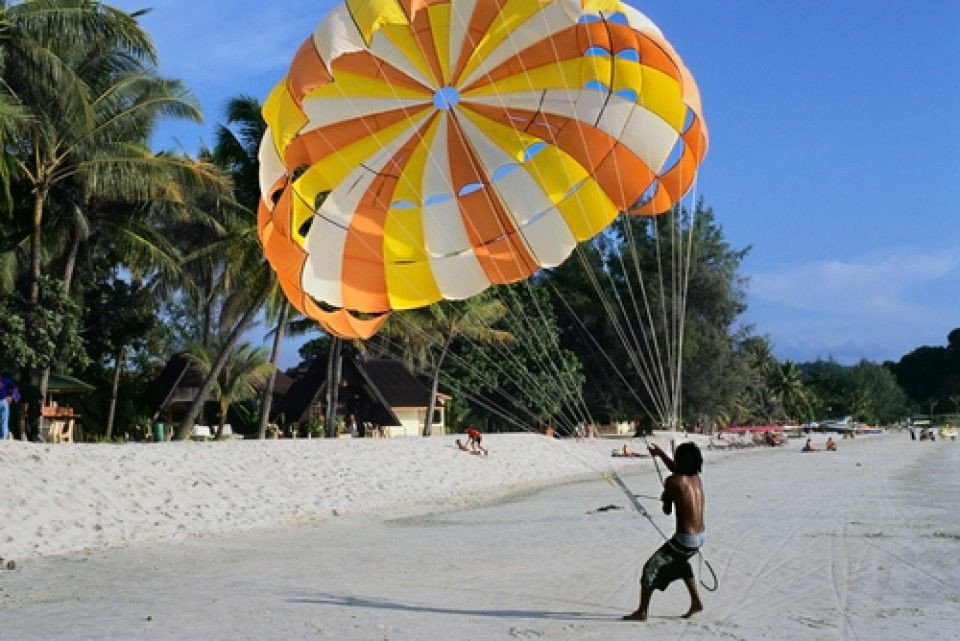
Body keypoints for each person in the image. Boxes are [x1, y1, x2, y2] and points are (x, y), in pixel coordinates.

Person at [624, 442, 705, 622]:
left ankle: (642, 612)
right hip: (700, 538)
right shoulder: (696, 478)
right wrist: (659, 453)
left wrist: (666, 498)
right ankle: (696, 602)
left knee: (649, 568)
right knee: (681, 564)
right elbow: (678, 470)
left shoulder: (673, 481)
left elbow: (667, 511)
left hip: (684, 540)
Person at [0, 373, 21, 440]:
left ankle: (2, 436)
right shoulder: (6, 381)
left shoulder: (6, 381)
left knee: (3, 420)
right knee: (5, 420)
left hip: (4, 401)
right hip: (4, 402)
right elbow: (15, 388)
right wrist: (12, 397)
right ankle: (4, 438)